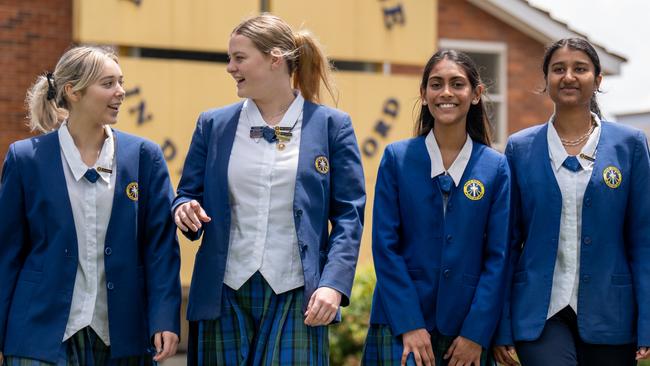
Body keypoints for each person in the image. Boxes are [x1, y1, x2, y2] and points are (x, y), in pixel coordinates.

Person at [172, 13, 366, 365]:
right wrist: (183, 208)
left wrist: (333, 284)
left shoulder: (332, 126)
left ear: (275, 59)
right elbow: (188, 193)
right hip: (222, 291)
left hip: (298, 293)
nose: (230, 67)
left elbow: (349, 216)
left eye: (239, 58)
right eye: (229, 58)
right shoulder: (213, 124)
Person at [0, 46, 181, 366]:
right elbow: (7, 253)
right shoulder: (25, 158)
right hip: (37, 334)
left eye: (121, 82)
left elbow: (161, 249)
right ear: (73, 91)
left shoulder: (144, 157)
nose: (121, 92)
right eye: (108, 83)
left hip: (124, 334)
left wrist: (165, 317)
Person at [493, 38, 650, 366]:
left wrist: (647, 323)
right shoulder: (520, 148)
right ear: (546, 78)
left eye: (580, 69)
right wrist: (503, 326)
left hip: (612, 313)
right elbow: (505, 245)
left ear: (598, 79)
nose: (568, 76)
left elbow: (643, 241)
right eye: (558, 69)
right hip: (539, 314)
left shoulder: (630, 145)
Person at [361, 49, 510, 366]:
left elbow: (499, 257)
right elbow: (385, 247)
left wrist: (476, 334)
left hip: (466, 331)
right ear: (424, 95)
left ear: (476, 94)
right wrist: (410, 324)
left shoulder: (496, 168)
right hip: (401, 322)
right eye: (436, 84)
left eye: (457, 84)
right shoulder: (396, 159)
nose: (446, 93)